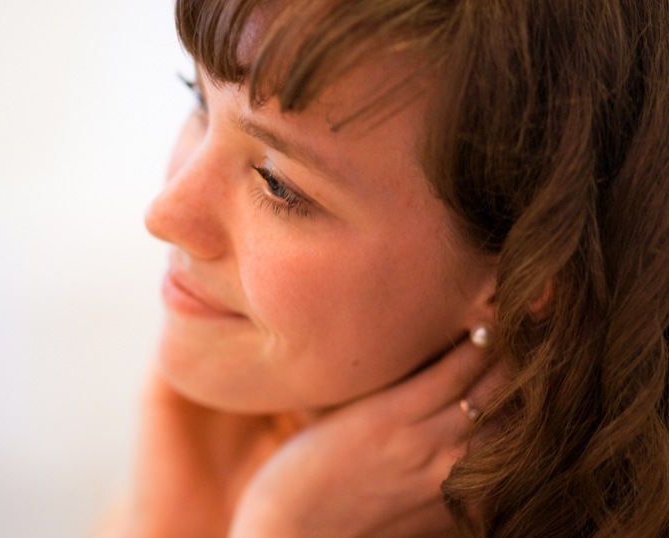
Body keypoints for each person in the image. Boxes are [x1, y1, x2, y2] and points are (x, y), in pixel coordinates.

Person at [107, 0, 668, 536]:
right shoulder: (222, 434)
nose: (165, 214)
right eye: (198, 101)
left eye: (278, 183)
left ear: (523, 275)